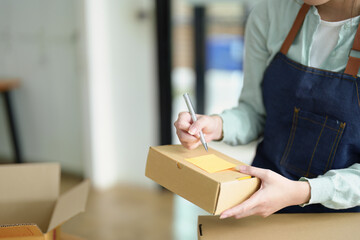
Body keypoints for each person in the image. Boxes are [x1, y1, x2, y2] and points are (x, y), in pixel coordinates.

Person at [174, 0, 360, 219]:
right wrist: (216, 126)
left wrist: (304, 192)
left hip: (344, 218)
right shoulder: (270, 13)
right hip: (259, 204)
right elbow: (255, 112)